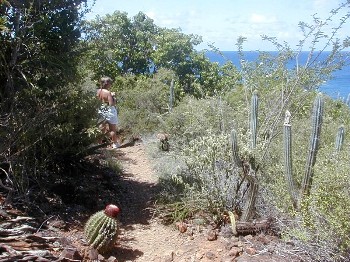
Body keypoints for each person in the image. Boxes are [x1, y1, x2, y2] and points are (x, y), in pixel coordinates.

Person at [97, 76, 120, 149]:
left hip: (101, 110)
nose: (111, 84)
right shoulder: (108, 92)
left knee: (101, 128)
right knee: (112, 128)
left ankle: (99, 144)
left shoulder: (98, 91)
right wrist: (113, 97)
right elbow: (111, 104)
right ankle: (115, 144)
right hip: (110, 111)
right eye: (110, 83)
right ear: (107, 83)